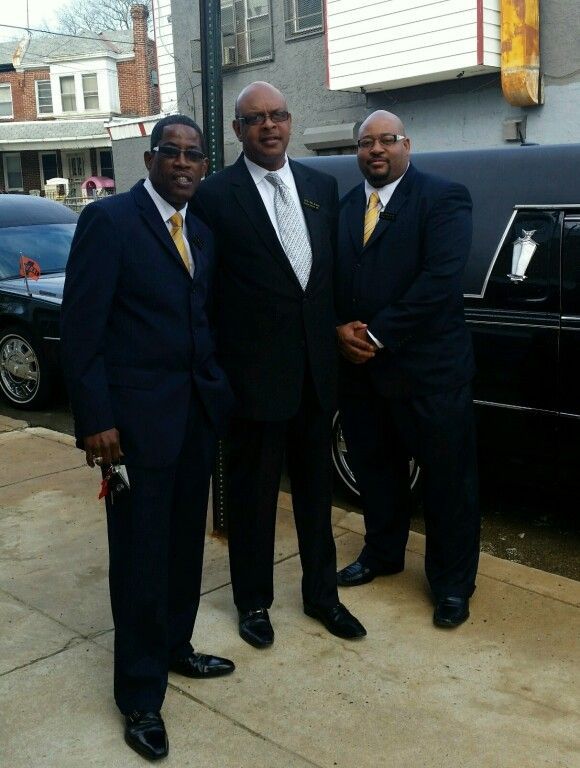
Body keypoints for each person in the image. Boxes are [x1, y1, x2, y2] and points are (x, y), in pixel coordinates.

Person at [60, 115, 235, 761]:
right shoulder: (109, 222)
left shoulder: (203, 233)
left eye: (195, 156)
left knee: (185, 544)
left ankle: (176, 649)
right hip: (131, 428)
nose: (185, 165)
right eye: (173, 154)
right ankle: (139, 695)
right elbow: (83, 330)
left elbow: (200, 318)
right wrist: (96, 420)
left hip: (193, 418)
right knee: (138, 558)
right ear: (151, 157)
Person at [192, 81, 366, 648]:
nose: (269, 126)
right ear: (238, 130)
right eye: (255, 119)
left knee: (318, 496)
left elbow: (326, 276)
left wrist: (340, 325)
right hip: (253, 379)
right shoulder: (216, 196)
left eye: (278, 116)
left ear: (291, 123)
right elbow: (206, 290)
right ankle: (253, 604)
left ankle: (322, 596)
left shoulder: (319, 184)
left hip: (316, 374)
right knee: (253, 499)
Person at [334, 110, 480, 629]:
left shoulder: (443, 198)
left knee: (448, 483)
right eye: (366, 143)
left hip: (429, 375)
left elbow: (439, 280)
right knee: (377, 471)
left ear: (407, 145)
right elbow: (336, 278)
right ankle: (381, 554)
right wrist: (339, 330)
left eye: (387, 141)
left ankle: (452, 584)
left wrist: (374, 333)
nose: (376, 150)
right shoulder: (349, 205)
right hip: (363, 376)